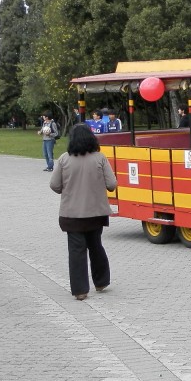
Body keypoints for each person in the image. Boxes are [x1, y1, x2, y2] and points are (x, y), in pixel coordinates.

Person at [49, 123, 118, 301]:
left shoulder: (64, 159)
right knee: (96, 245)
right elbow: (112, 184)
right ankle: (101, 281)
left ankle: (80, 290)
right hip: (96, 213)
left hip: (71, 214)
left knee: (76, 251)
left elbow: (54, 185)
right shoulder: (100, 158)